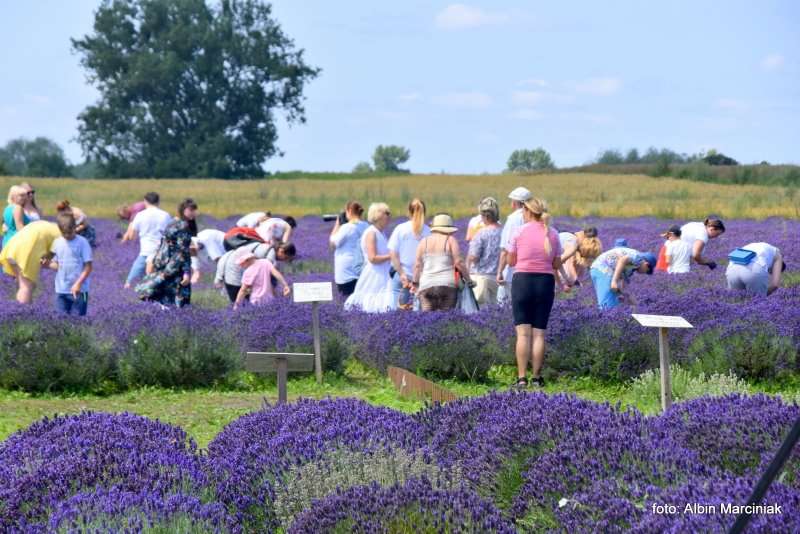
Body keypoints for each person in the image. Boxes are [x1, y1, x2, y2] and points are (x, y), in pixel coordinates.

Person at [506, 198, 562, 389]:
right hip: (545, 283)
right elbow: (556, 264)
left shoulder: (518, 232)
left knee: (523, 334)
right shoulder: (553, 233)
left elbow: (511, 261)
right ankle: (537, 378)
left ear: (527, 212)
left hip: (522, 281)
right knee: (539, 334)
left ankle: (521, 378)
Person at [135, 199, 198, 307]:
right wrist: (187, 273)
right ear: (183, 210)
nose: (194, 213)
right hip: (175, 267)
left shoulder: (172, 222)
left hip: (164, 263)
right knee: (178, 299)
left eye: (195, 210)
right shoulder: (183, 226)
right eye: (191, 210)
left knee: (163, 295)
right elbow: (183, 252)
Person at [411, 213, 472, 312]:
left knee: (427, 319)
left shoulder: (423, 242)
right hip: (447, 285)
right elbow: (459, 262)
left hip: (426, 285)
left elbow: (417, 265)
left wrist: (415, 283)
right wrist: (469, 280)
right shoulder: (450, 240)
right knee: (446, 318)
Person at [344, 203, 395, 313]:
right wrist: (391, 256)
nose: (389, 216)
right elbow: (372, 258)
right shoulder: (371, 233)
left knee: (385, 304)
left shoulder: (381, 233)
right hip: (374, 274)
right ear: (378, 216)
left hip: (384, 273)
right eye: (386, 213)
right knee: (373, 303)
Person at [0, 220, 62, 304]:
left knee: (26, 285)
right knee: (26, 286)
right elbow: (65, 264)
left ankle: (25, 311)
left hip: (12, 247)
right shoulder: (63, 236)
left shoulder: (51, 227)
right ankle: (23, 313)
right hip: (26, 250)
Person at [215, 241, 296, 303]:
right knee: (239, 297)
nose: (284, 260)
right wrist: (275, 294)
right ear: (281, 251)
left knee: (243, 300)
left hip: (230, 264)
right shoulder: (269, 257)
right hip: (234, 271)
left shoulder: (267, 250)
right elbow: (268, 277)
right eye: (286, 258)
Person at [121, 192, 172, 288]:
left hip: (146, 250)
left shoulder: (140, 215)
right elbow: (171, 232)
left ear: (145, 201)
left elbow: (132, 236)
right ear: (158, 202)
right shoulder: (165, 215)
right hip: (162, 251)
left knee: (131, 282)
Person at [388, 198, 430, 309]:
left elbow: (393, 254)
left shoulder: (400, 229)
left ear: (409, 211)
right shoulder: (428, 231)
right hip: (421, 278)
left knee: (396, 312)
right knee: (419, 314)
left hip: (402, 277)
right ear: (424, 212)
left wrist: (402, 274)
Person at [48, 212, 93, 316]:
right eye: (64, 233)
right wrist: (47, 263)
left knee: (79, 320)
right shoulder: (57, 243)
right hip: (61, 289)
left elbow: (88, 267)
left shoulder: (82, 242)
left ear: (75, 227)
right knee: (60, 320)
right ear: (60, 230)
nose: (67, 235)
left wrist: (78, 284)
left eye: (70, 232)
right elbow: (56, 265)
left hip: (81, 291)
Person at [497, 186, 532, 303]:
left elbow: (506, 249)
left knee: (504, 305)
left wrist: (500, 271)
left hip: (512, 272)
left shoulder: (513, 219)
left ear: (515, 203)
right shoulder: (535, 218)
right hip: (531, 271)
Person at [590, 247, 656, 310]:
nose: (644, 273)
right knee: (607, 304)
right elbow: (623, 260)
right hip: (603, 268)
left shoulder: (632, 268)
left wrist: (634, 305)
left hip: (598, 269)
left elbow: (624, 287)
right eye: (647, 271)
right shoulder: (638, 259)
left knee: (612, 300)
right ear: (646, 264)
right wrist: (614, 281)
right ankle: (605, 319)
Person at [467, 197, 502, 305]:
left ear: (485, 216)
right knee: (495, 312)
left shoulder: (481, 233)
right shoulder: (504, 231)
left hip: (480, 277)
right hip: (497, 277)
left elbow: (474, 257)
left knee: (480, 311)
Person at [329, 201, 369, 297]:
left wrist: (338, 224)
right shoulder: (366, 226)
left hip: (347, 272)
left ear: (349, 211)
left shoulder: (347, 228)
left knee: (347, 300)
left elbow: (333, 244)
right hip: (362, 268)